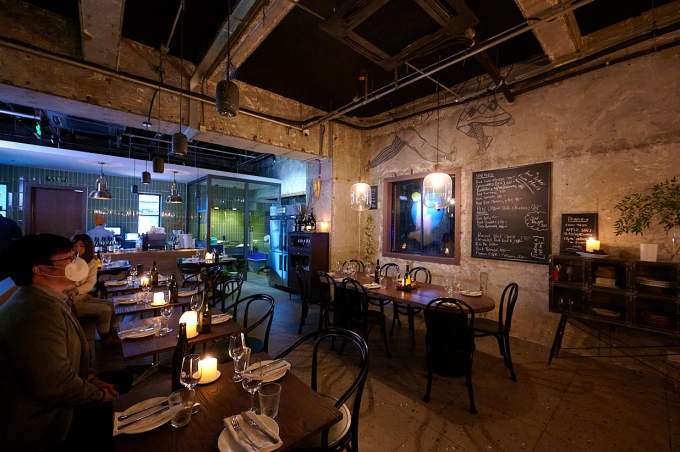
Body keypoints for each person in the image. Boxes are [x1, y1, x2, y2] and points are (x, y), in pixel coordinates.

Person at [0, 234, 128, 451]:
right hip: (46, 423)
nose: (76, 264)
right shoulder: (37, 313)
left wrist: (89, 378)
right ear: (40, 269)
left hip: (56, 404)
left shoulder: (47, 299)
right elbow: (55, 384)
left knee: (123, 380)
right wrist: (98, 394)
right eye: (69, 259)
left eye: (75, 256)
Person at [68, 234, 120, 347]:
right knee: (105, 310)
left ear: (87, 248)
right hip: (71, 300)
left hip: (83, 296)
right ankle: (105, 337)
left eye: (81, 246)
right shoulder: (68, 262)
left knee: (115, 305)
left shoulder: (92, 263)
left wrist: (77, 290)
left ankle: (113, 331)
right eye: (75, 245)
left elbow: (90, 283)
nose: (77, 248)